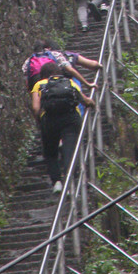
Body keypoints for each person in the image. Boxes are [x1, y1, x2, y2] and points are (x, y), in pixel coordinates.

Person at [31, 61, 95, 193]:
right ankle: (70, 182)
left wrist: (39, 120)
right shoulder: (69, 82)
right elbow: (84, 100)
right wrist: (91, 102)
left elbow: (36, 107)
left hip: (49, 119)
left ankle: (57, 182)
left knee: (51, 153)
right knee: (69, 150)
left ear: (43, 75)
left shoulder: (39, 84)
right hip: (71, 118)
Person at [22, 40, 102, 92]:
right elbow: (71, 70)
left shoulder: (29, 61)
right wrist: (87, 84)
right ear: (48, 48)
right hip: (60, 86)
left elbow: (27, 79)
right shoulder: (59, 55)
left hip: (40, 89)